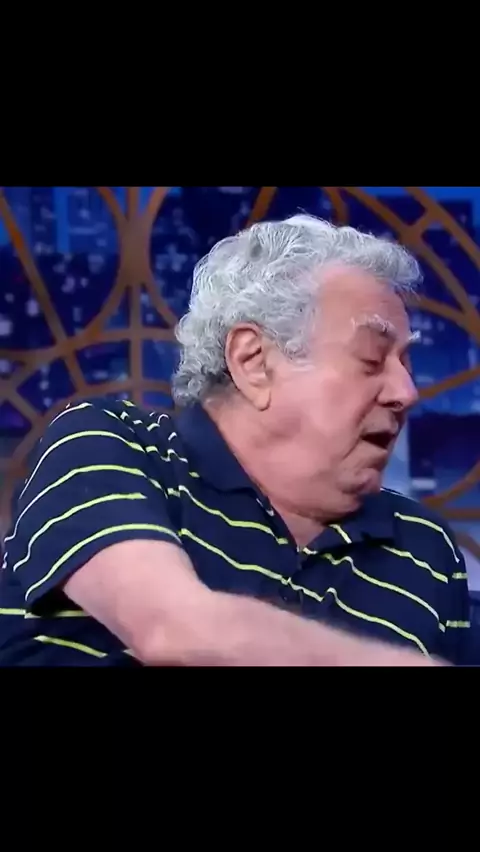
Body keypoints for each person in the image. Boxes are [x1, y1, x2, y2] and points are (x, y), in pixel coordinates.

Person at [0, 214, 472, 666]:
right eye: (371, 358)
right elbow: (176, 631)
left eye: (406, 363)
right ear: (254, 362)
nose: (405, 392)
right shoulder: (108, 446)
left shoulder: (424, 549)